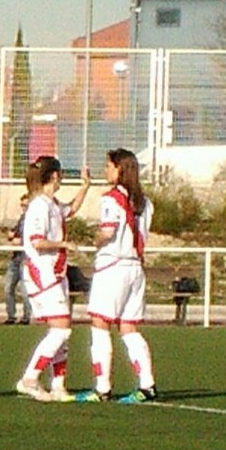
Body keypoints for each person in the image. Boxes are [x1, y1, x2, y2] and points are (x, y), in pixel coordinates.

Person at [75, 148, 158, 403]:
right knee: (129, 328)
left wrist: (95, 239)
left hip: (113, 267)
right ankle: (147, 385)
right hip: (135, 268)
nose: (105, 170)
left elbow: (108, 232)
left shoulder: (111, 198)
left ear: (120, 169)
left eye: (109, 166)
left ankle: (102, 388)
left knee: (100, 325)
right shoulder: (146, 203)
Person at [14, 157, 83, 402]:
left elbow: (70, 210)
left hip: (56, 272)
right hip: (42, 273)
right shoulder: (39, 206)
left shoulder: (52, 203)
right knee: (62, 330)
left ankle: (58, 385)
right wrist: (63, 243)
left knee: (61, 330)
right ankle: (29, 379)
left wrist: (85, 187)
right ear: (54, 176)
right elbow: (36, 241)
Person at [2, 193, 30, 324]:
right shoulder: (22, 219)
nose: (24, 208)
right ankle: (11, 316)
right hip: (16, 257)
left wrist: (21, 241)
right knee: (8, 287)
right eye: (22, 205)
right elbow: (15, 234)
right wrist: (11, 235)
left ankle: (26, 317)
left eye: (26, 205)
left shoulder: (34, 219)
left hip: (26, 258)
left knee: (25, 290)